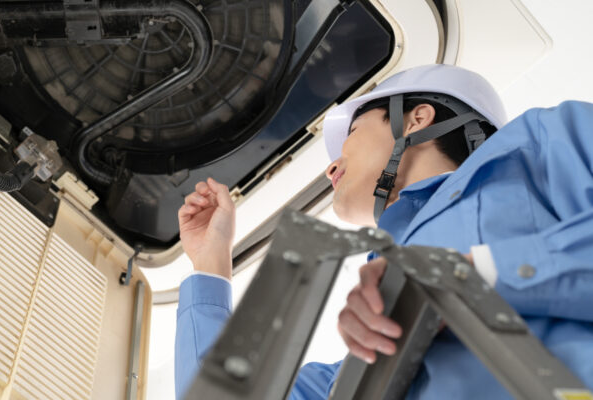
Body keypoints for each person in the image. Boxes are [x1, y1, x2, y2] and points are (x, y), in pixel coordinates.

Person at [174, 64, 593, 399]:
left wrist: (479, 274)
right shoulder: (360, 361)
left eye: (353, 134)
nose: (331, 168)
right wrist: (210, 265)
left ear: (416, 119)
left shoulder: (542, 143)